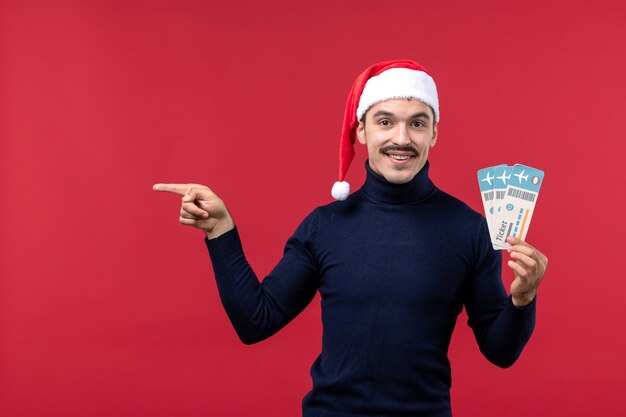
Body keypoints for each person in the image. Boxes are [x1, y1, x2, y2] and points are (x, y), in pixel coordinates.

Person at [153, 60, 548, 417]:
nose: (402, 138)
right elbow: (256, 321)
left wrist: (523, 300)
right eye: (385, 121)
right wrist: (220, 231)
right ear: (361, 129)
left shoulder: (467, 228)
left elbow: (501, 352)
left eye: (417, 123)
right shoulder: (325, 225)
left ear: (434, 133)